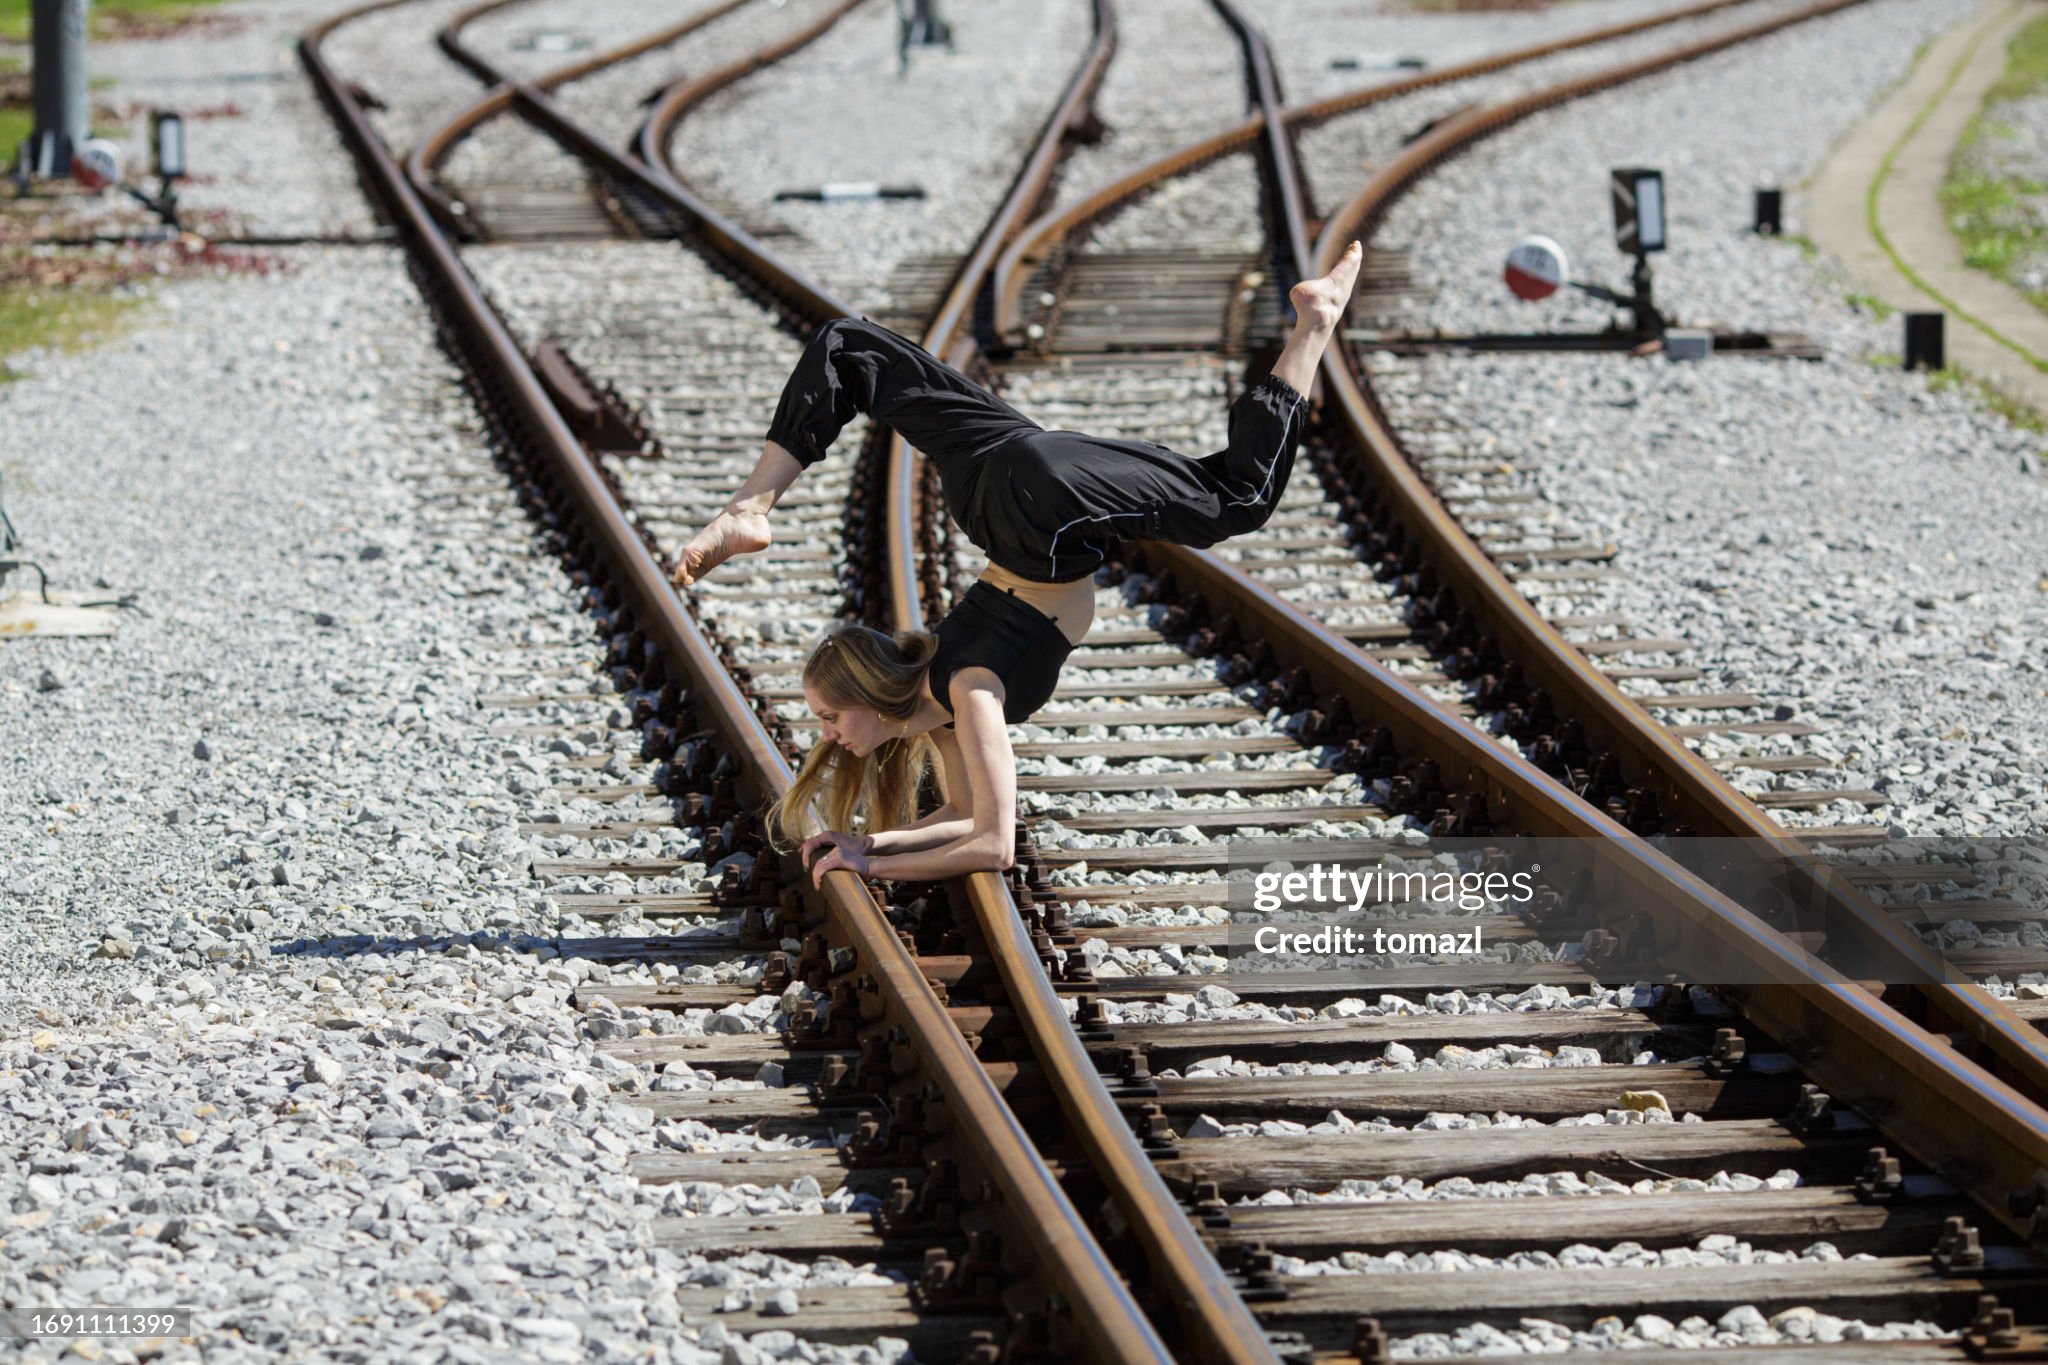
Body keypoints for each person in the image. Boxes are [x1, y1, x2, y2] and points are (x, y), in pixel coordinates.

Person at [669, 242, 1364, 885]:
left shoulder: (968, 691)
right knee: (851, 348)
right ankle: (751, 505)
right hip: (995, 485)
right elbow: (964, 818)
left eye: (829, 716)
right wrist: (866, 843)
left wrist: (871, 868)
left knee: (1237, 496)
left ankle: (1316, 325)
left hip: (1041, 514)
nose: (826, 734)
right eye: (823, 721)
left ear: (871, 700)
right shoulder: (941, 709)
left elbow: (995, 846)